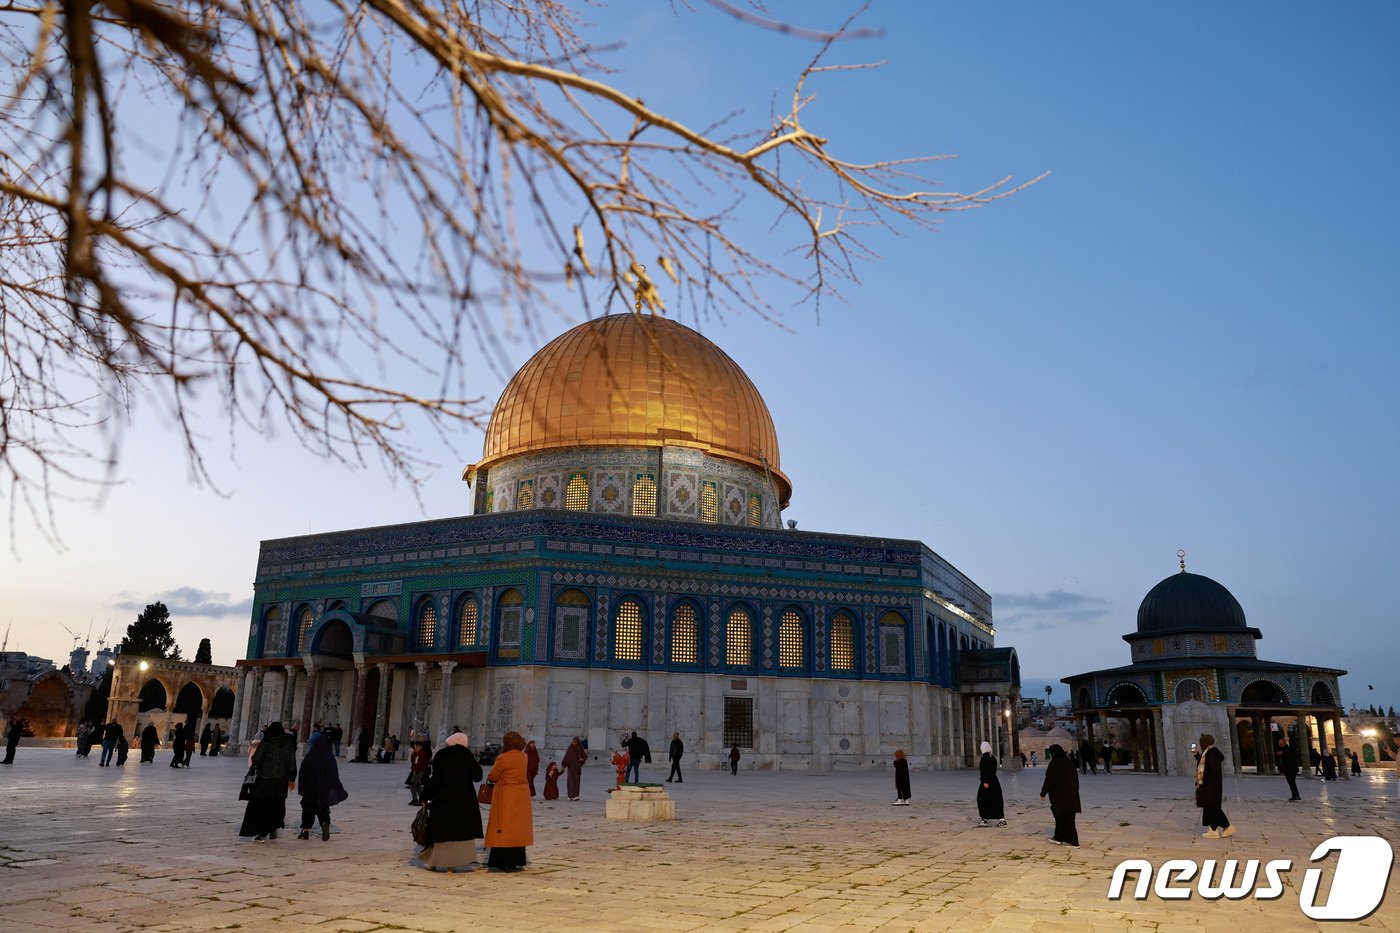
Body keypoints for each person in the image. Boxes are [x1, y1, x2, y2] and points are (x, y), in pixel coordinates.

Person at [414, 732, 484, 872]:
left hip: (443, 800)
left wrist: (424, 796)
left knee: (441, 833)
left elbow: (436, 778)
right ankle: (453, 864)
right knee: (460, 833)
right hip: (463, 801)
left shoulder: (441, 754)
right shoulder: (467, 755)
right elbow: (477, 777)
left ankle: (433, 862)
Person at [238, 722, 298, 841]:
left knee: (263, 806)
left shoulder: (266, 743)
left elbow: (256, 760)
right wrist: (292, 779)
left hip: (264, 779)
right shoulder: (288, 744)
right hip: (281, 780)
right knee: (277, 804)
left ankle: (262, 833)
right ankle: (273, 828)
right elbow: (292, 764)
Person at [483, 731, 534, 872]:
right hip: (521, 796)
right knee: (517, 828)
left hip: (507, 796)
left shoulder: (503, 758)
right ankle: (516, 860)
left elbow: (493, 776)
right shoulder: (524, 756)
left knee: (503, 828)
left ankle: (501, 860)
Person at [296, 733, 348, 841]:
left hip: (311, 789)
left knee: (307, 809)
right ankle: (325, 823)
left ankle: (305, 831)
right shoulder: (329, 757)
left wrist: (304, 785)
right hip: (324, 788)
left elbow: (303, 771)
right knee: (323, 807)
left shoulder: (310, 756)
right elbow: (334, 773)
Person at [1039, 744, 1080, 847]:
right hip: (1071, 795)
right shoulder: (1068, 762)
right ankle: (1058, 837)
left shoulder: (1055, 763)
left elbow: (1049, 780)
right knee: (1062, 817)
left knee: (1066, 819)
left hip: (1060, 796)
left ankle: (1073, 841)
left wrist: (1043, 793)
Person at [1195, 733, 1233, 838]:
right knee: (1210, 807)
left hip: (1210, 786)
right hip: (1210, 785)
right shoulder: (1208, 753)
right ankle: (1213, 830)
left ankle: (1226, 826)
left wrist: (1204, 783)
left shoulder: (1211, 754)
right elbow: (1204, 765)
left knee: (1213, 808)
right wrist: (1197, 755)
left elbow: (1211, 771)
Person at [976, 741, 1006, 826]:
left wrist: (985, 781)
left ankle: (985, 818)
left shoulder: (984, 758)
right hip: (994, 781)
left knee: (981, 799)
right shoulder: (992, 757)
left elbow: (984, 771)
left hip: (987, 782)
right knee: (996, 800)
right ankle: (1001, 819)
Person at [561, 736, 586, 800]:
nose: (574, 743)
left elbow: (585, 756)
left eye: (575, 742)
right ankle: (570, 795)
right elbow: (566, 758)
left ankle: (576, 795)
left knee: (576, 781)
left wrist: (582, 759)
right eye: (573, 742)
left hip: (577, 768)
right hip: (571, 768)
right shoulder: (570, 748)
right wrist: (563, 766)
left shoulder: (580, 748)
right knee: (571, 781)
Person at [408, 739, 430, 805]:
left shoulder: (423, 753)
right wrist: (412, 755)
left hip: (419, 771)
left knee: (412, 785)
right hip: (416, 770)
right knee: (418, 786)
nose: (415, 748)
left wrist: (417, 769)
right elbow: (414, 762)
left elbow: (420, 763)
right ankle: (422, 799)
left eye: (415, 747)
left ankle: (415, 799)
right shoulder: (417, 753)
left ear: (419, 746)